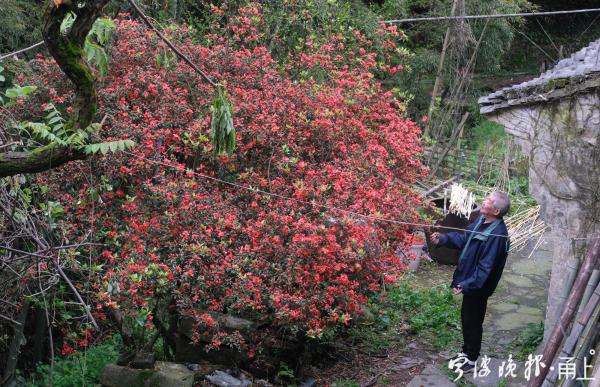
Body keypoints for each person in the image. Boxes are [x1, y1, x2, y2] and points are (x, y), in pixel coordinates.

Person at [430, 191, 511, 375]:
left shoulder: (497, 235)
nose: (484, 201)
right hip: (472, 282)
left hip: (479, 287)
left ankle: (471, 359)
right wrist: (443, 238)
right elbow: (464, 238)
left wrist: (467, 284)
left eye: (489, 201)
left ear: (496, 211)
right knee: (467, 318)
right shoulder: (482, 222)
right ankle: (466, 353)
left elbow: (486, 269)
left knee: (473, 321)